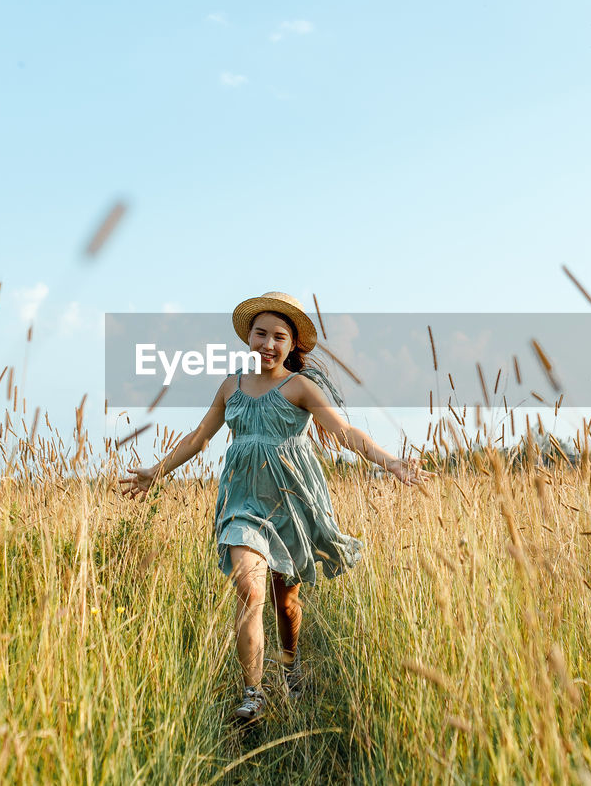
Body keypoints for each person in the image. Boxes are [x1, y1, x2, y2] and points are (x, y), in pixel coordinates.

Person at [118, 291, 434, 723]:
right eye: (260, 333)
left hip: (291, 504)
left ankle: (291, 665)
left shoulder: (300, 387)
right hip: (242, 504)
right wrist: (157, 470)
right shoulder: (230, 386)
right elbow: (197, 438)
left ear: (292, 345)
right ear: (248, 337)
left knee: (286, 603)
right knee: (250, 591)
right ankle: (253, 694)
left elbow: (345, 434)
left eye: (278, 336)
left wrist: (392, 462)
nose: (268, 343)